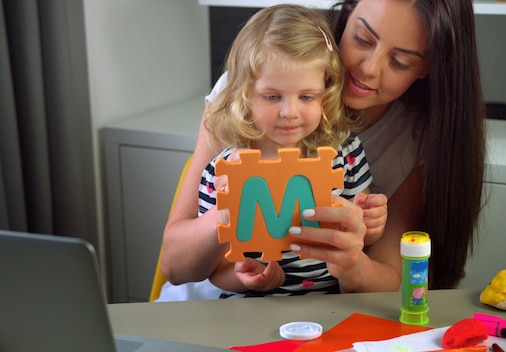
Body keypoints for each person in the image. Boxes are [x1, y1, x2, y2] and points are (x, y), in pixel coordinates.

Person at [160, 0, 485, 294]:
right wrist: (229, 220)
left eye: (399, 61)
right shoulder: (247, 88)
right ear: (345, 18)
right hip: (207, 305)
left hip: (318, 314)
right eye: (362, 39)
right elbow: (178, 264)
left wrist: (354, 256)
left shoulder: (389, 144)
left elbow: (388, 273)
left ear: (428, 67)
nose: (368, 68)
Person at [158, 4, 385, 300]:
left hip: (332, 307)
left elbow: (363, 239)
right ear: (245, 94)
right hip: (250, 311)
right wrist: (247, 279)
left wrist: (373, 223)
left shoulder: (347, 154)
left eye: (306, 96)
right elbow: (218, 272)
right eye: (273, 96)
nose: (289, 112)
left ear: (325, 93)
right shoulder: (225, 169)